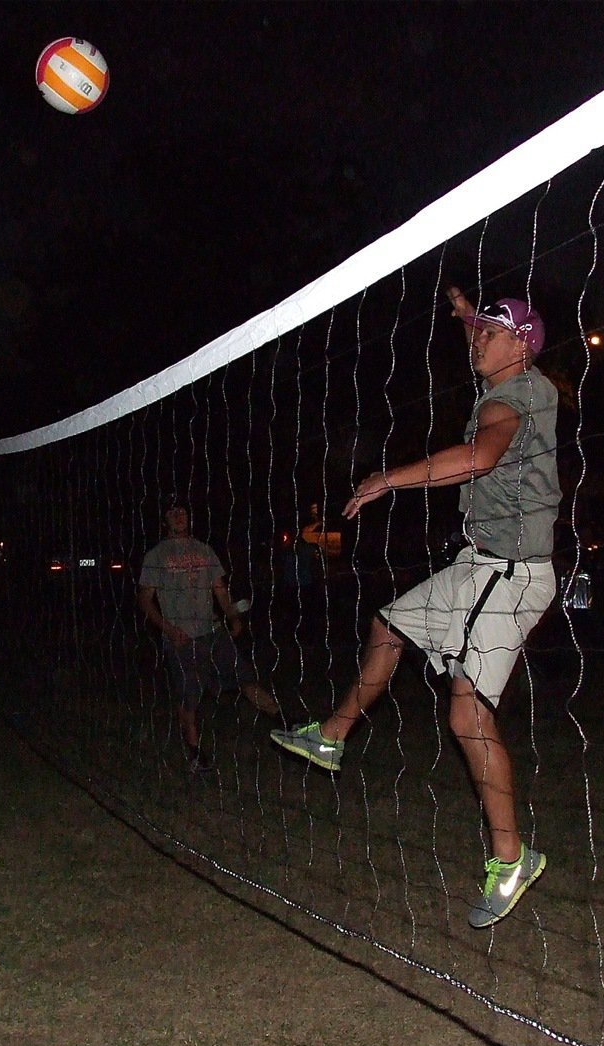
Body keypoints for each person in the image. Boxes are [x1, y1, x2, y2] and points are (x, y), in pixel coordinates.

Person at [270, 290, 562, 928]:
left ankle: (512, 859)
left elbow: (481, 459)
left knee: (466, 715)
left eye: (491, 334)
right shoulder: (503, 375)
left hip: (511, 575)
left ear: (523, 345)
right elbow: (486, 338)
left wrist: (387, 478)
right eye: (474, 333)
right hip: (476, 565)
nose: (476, 341)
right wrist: (467, 314)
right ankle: (331, 737)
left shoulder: (525, 394)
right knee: (388, 622)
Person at [138, 496, 283, 772]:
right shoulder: (156, 556)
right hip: (181, 641)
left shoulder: (204, 550)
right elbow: (145, 599)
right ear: (165, 520)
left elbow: (219, 589)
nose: (179, 515)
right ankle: (195, 755)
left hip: (213, 634)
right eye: (173, 512)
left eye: (183, 511)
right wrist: (169, 630)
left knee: (246, 678)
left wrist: (232, 617)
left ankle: (286, 724)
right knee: (188, 697)